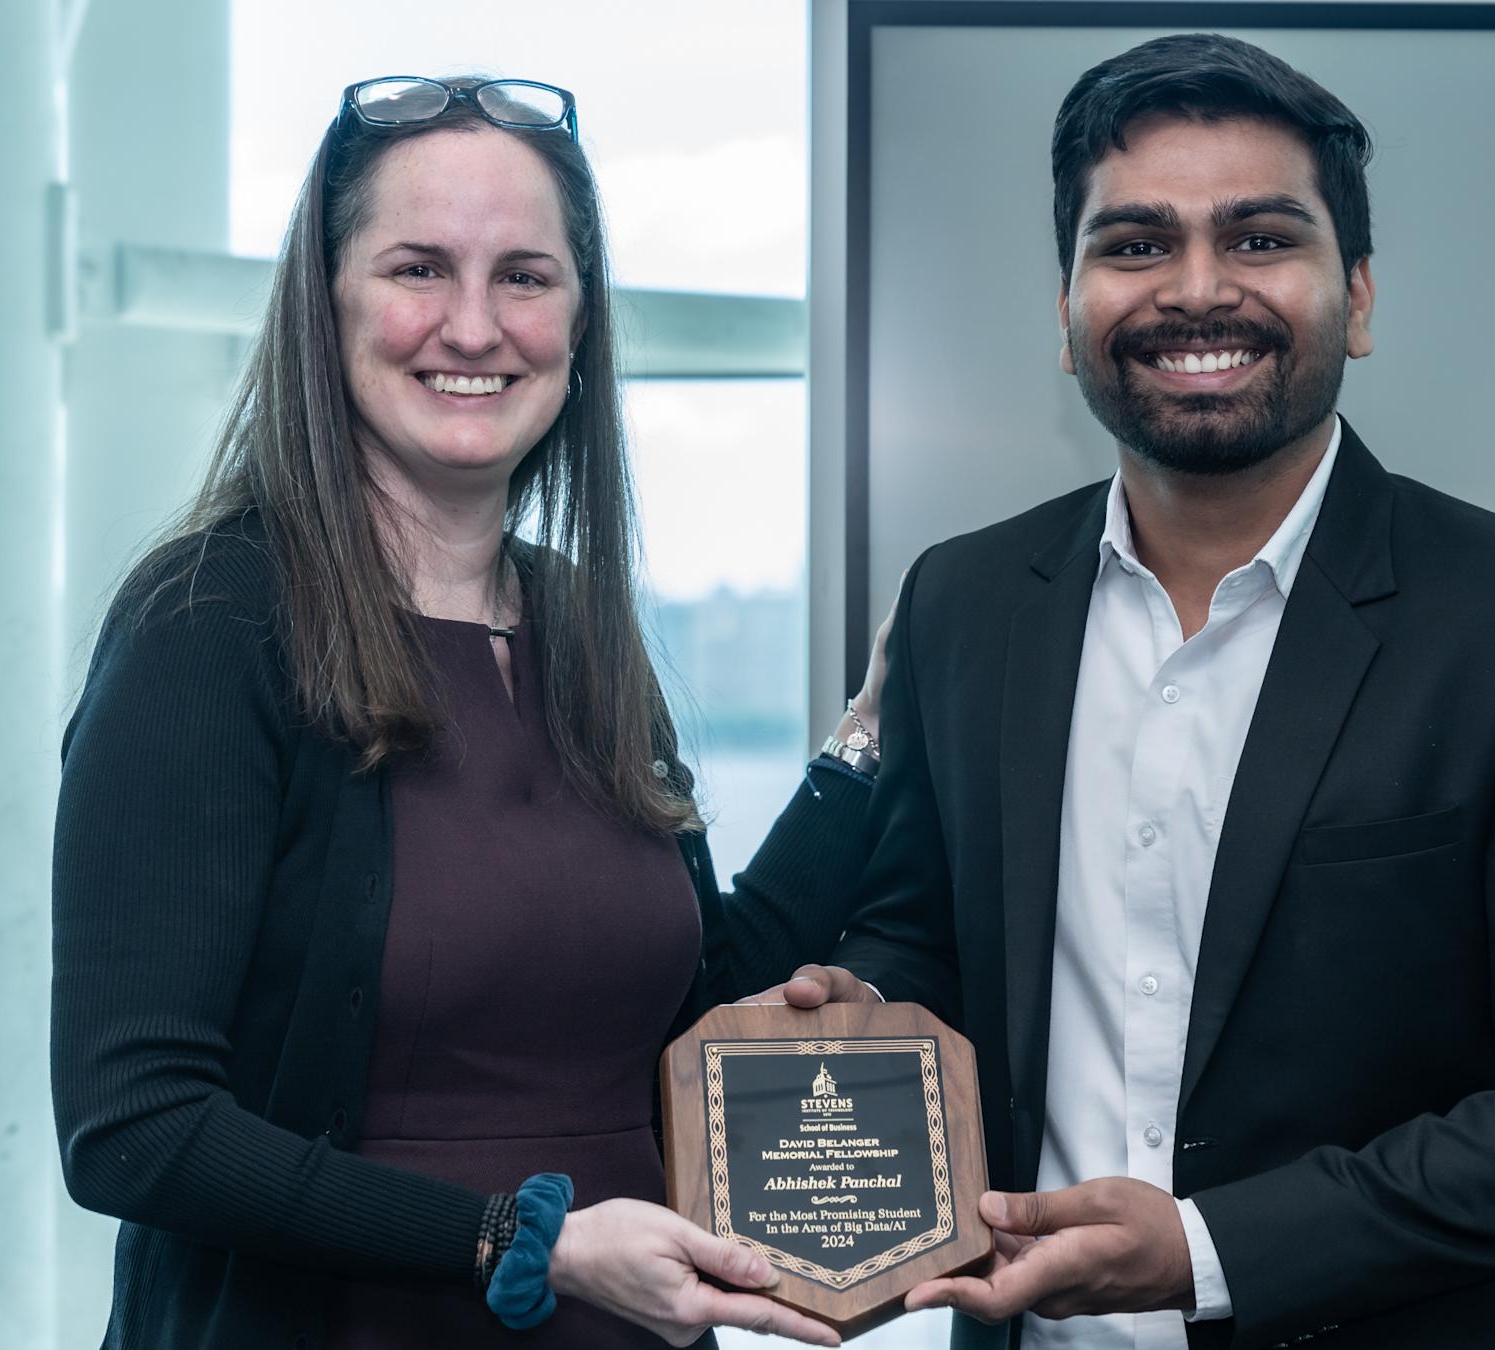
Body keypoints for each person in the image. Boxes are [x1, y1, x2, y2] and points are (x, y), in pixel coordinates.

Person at [771, 33, 1495, 1350]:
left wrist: (1205, 1250)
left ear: (1359, 298)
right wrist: (871, 1015)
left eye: (1261, 238)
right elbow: (927, 936)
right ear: (1066, 308)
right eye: (1135, 244)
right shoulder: (965, 600)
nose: (1195, 290)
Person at [51, 75, 887, 1350]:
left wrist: (868, 744)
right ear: (327, 304)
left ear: (580, 320)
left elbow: (687, 1006)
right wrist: (513, 1240)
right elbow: (134, 1128)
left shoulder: (581, 624)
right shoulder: (206, 622)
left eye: (527, 277)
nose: (475, 325)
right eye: (418, 269)